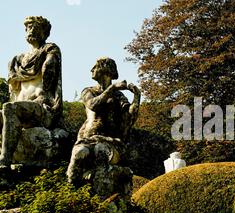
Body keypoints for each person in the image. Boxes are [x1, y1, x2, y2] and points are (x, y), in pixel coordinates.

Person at [0, 16, 62, 169]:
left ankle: (5, 160)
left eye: (36, 27)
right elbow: (14, 90)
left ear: (45, 33)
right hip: (22, 110)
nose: (32, 30)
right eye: (29, 27)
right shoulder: (17, 60)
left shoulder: (50, 49)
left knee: (9, 108)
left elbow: (50, 69)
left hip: (42, 107)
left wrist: (49, 61)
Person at [66, 57, 140, 185]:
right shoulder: (89, 91)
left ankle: (100, 200)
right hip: (87, 138)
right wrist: (112, 88)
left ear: (106, 70)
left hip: (108, 141)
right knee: (78, 154)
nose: (92, 70)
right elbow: (93, 104)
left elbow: (128, 118)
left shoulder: (119, 96)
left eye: (96, 66)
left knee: (101, 151)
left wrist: (137, 98)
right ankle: (71, 194)